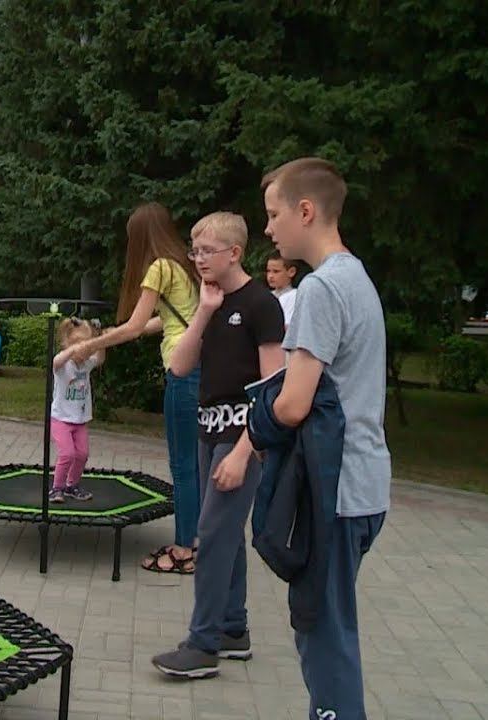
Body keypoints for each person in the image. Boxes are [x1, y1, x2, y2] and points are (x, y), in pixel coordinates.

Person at [263, 157, 389, 718]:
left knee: (323, 632)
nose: (268, 229)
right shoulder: (357, 277)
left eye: (274, 214)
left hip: (335, 491)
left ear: (305, 211)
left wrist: (254, 418)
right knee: (332, 623)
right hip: (365, 485)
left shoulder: (321, 289)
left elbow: (292, 403)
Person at [149, 212, 284, 679]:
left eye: (206, 250)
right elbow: (180, 368)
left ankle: (203, 645)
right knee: (225, 537)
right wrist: (204, 310)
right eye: (194, 249)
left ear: (234, 253)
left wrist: (246, 452)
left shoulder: (262, 304)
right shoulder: (211, 301)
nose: (197, 258)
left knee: (211, 538)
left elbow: (274, 390)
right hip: (208, 433)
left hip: (239, 439)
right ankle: (233, 630)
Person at [69, 202, 200, 574]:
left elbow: (133, 326)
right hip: (201, 368)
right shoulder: (184, 264)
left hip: (181, 369)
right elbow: (163, 321)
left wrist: (89, 345)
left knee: (183, 466)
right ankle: (198, 542)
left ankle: (183, 550)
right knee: (196, 463)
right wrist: (115, 332)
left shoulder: (159, 267)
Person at [48, 318, 104, 504]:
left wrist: (100, 339)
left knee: (82, 454)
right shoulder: (63, 365)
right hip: (61, 419)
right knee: (67, 454)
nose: (83, 352)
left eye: (86, 347)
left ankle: (72, 485)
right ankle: (57, 488)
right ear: (68, 345)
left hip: (80, 420)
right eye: (77, 346)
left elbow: (100, 358)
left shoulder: (85, 365)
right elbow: (56, 361)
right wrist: (73, 349)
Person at [265, 249, 299, 329]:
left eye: (276, 271)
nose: (270, 276)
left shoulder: (294, 296)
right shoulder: (267, 296)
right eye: (268, 271)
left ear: (291, 272)